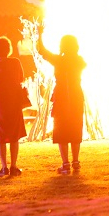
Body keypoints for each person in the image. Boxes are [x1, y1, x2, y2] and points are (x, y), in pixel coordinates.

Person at [37, 34, 86, 174]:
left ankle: (65, 164)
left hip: (62, 96)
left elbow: (43, 52)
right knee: (75, 126)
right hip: (76, 95)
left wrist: (40, 35)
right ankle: (76, 162)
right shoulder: (79, 60)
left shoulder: (59, 60)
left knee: (61, 129)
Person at [0, 37, 26, 177]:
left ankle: (3, 167)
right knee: (14, 132)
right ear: (9, 49)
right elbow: (21, 78)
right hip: (13, 97)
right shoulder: (15, 62)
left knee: (0, 133)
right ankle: (13, 166)